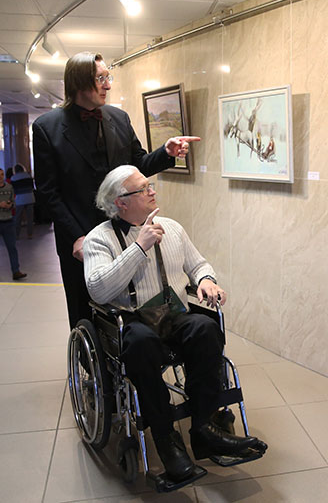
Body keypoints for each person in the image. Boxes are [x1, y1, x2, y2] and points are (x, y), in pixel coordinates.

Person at [84, 165, 261, 482]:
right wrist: (140, 247)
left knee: (206, 329)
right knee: (141, 344)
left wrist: (206, 280)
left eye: (150, 185)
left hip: (173, 315)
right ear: (121, 202)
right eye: (144, 188)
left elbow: (198, 263)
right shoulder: (100, 239)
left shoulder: (172, 228)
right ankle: (166, 438)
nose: (153, 191)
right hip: (132, 321)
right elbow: (98, 288)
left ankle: (205, 427)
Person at [33, 51, 199, 330]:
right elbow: (49, 193)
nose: (107, 85)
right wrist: (76, 237)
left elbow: (139, 165)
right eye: (100, 78)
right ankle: (91, 369)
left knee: (133, 305)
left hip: (125, 231)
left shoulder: (119, 118)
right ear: (78, 82)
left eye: (108, 77)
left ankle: (136, 362)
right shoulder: (46, 128)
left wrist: (166, 153)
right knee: (83, 308)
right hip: (80, 238)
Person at [10, 163, 35, 239]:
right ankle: (30, 234)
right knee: (30, 218)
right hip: (30, 197)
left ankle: (16, 235)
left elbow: (14, 190)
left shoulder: (13, 178)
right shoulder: (28, 176)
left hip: (19, 199)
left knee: (18, 218)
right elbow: (32, 187)